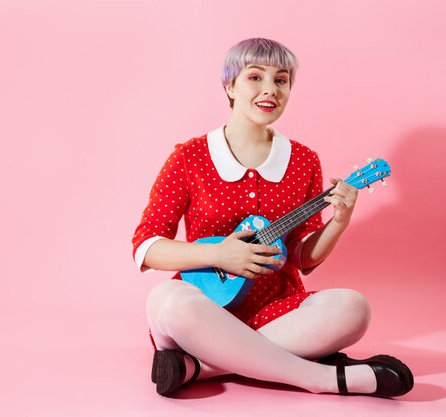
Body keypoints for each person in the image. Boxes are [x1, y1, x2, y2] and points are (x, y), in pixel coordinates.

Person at [131, 38, 413, 397]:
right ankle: (321, 378)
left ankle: (201, 366)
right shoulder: (190, 157)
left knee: (353, 308)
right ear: (230, 86)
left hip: (277, 312)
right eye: (255, 77)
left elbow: (301, 257)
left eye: (281, 80)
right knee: (166, 299)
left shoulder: (303, 161)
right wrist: (218, 255)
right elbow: (147, 245)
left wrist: (339, 221)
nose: (270, 90)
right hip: (202, 308)